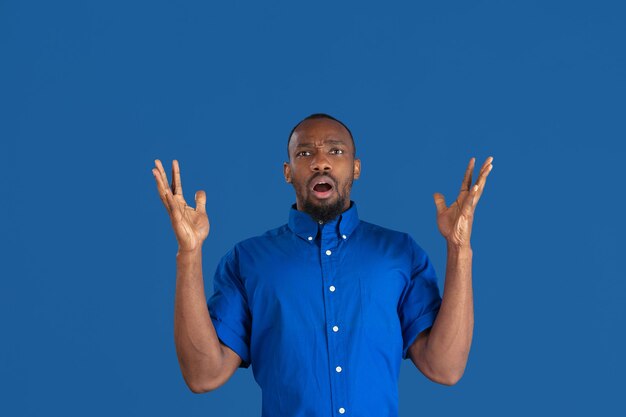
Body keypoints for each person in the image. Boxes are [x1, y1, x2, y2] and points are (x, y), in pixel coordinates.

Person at [151, 113, 493, 417]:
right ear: (287, 172)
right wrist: (189, 254)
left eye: (336, 151)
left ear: (356, 168)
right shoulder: (248, 261)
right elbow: (202, 375)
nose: (320, 163)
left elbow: (445, 368)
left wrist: (459, 249)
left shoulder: (399, 253)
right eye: (304, 153)